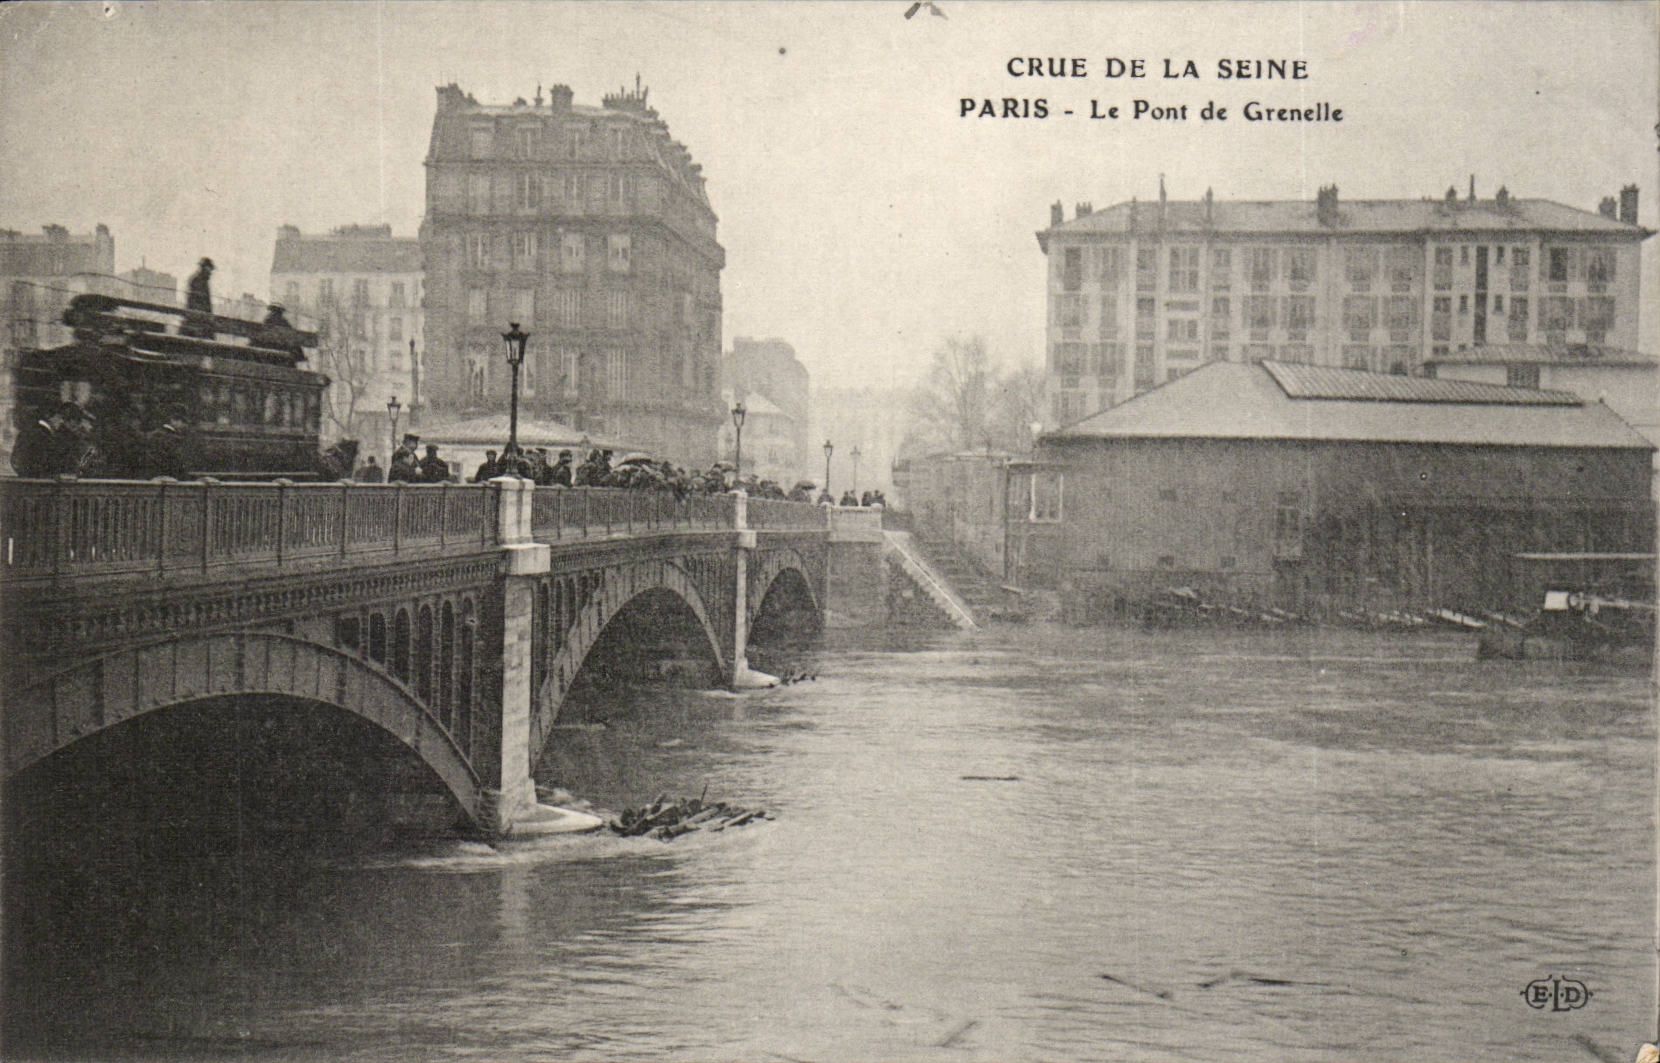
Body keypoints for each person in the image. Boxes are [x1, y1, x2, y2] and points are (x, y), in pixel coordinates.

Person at [182, 257, 215, 337]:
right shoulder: (198, 281)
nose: (210, 272)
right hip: (197, 321)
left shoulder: (203, 281)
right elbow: (197, 302)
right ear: (204, 268)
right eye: (209, 269)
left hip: (199, 319)